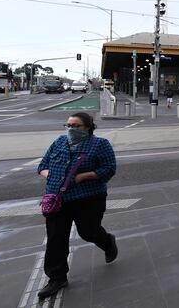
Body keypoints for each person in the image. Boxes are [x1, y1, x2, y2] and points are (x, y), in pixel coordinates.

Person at [36, 112, 118, 299]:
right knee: (56, 238)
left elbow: (109, 168)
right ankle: (57, 277)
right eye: (68, 125)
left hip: (89, 198)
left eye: (76, 126)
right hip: (58, 199)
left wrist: (84, 176)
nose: (71, 129)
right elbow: (42, 166)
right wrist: (49, 175)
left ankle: (107, 242)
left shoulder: (99, 144)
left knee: (88, 231)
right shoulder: (59, 142)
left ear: (87, 127)